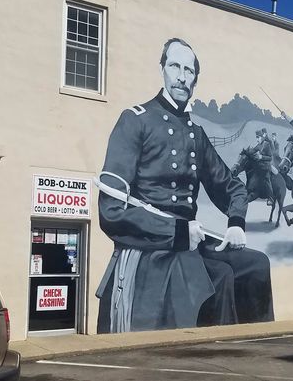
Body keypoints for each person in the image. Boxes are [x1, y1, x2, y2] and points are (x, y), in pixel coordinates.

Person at [96, 38, 274, 333]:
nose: (182, 76)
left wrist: (236, 222)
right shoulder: (135, 121)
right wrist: (177, 232)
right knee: (221, 278)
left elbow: (232, 187)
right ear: (163, 70)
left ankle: (256, 350)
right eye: (175, 67)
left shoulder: (196, 134)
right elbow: (111, 211)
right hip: (152, 246)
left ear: (195, 79)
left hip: (190, 241)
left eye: (189, 71)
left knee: (256, 266)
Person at [252, 129, 274, 206]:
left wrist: (262, 157)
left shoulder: (266, 144)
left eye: (258, 137)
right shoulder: (258, 145)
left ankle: (271, 198)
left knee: (267, 179)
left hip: (266, 167)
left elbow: (270, 157)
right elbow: (252, 151)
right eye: (256, 138)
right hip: (260, 166)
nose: (257, 139)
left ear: (262, 137)